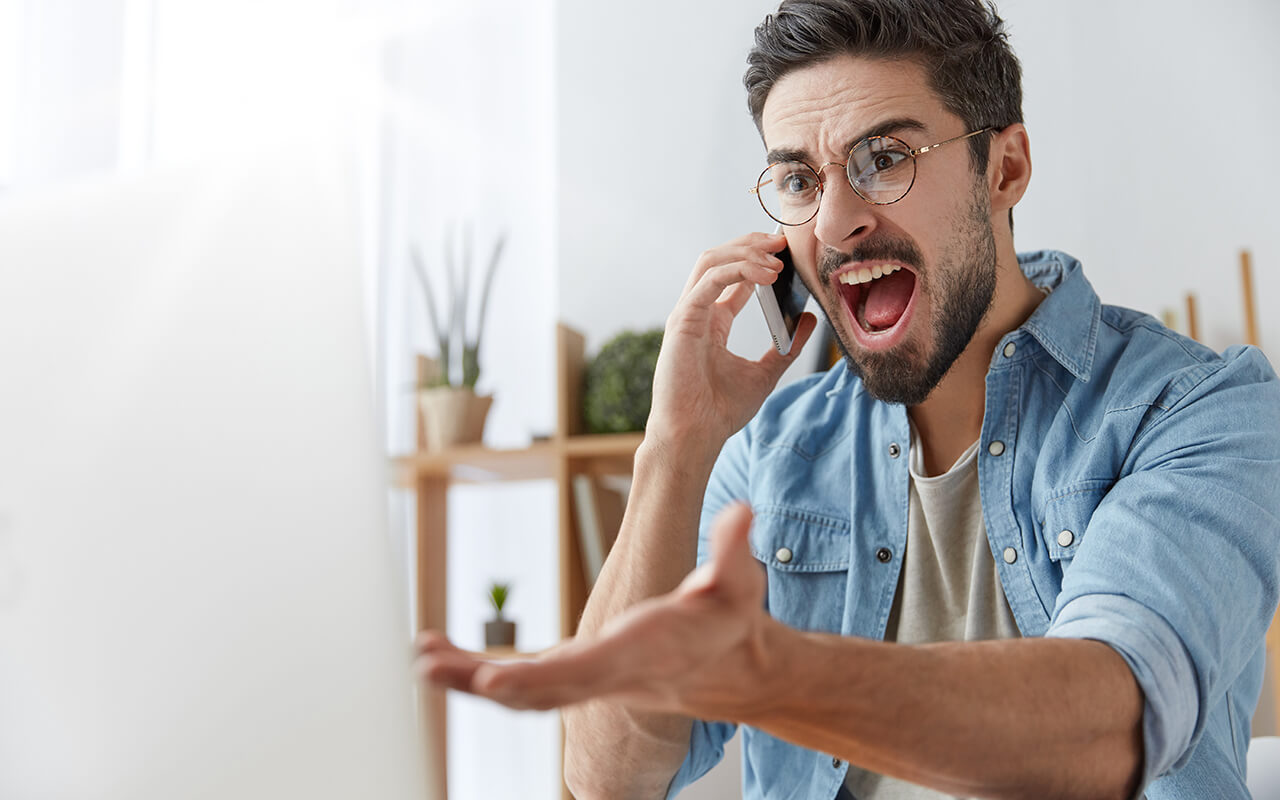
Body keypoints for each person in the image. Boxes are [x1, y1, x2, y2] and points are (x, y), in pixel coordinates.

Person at [416, 1, 1280, 797]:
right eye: (798, 181)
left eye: (885, 158)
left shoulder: (1198, 411)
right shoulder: (774, 451)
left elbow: (1107, 723)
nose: (832, 224)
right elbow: (611, 778)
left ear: (1005, 167)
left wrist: (770, 674)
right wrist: (674, 445)